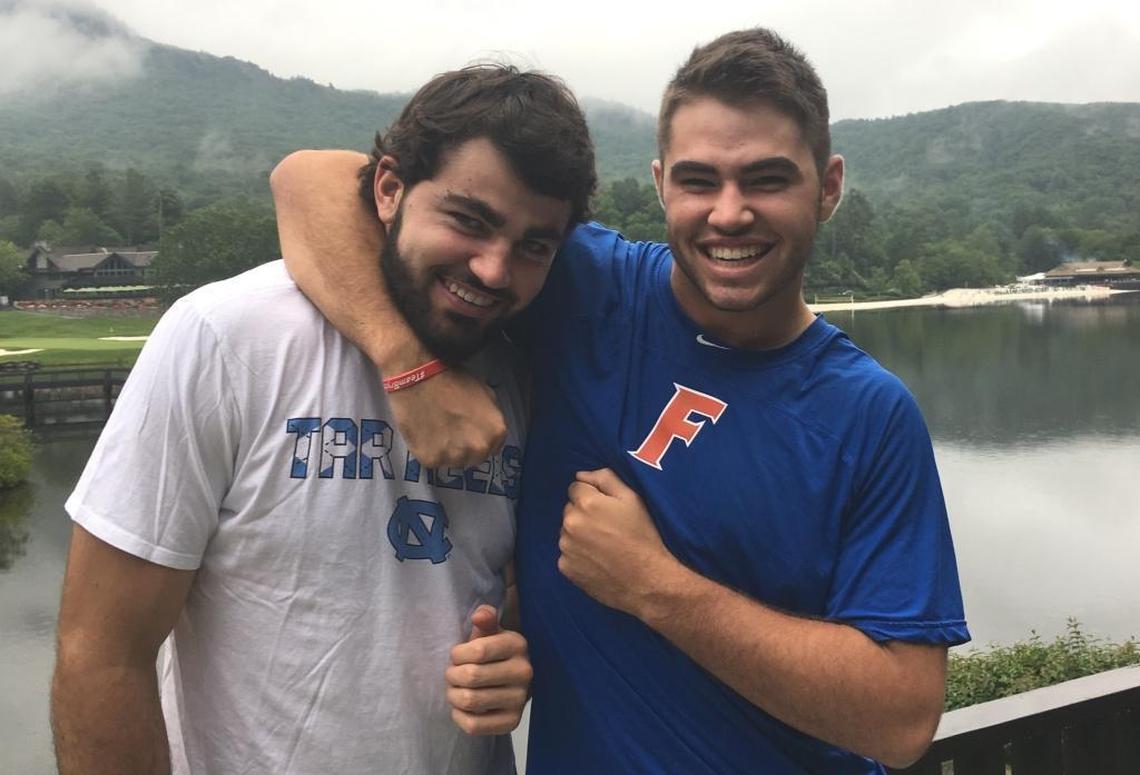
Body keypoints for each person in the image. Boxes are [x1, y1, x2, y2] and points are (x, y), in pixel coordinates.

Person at [272, 28, 970, 773]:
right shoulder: (583, 288)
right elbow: (307, 180)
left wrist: (655, 587)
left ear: (827, 187)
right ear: (663, 182)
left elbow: (901, 718)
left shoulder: (869, 415)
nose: (729, 213)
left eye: (767, 179)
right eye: (700, 180)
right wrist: (407, 366)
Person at [50, 64, 597, 775]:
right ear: (389, 189)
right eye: (469, 220)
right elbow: (101, 651)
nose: (494, 269)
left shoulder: (526, 368)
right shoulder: (228, 336)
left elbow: (488, 590)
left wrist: (507, 662)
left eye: (533, 245)